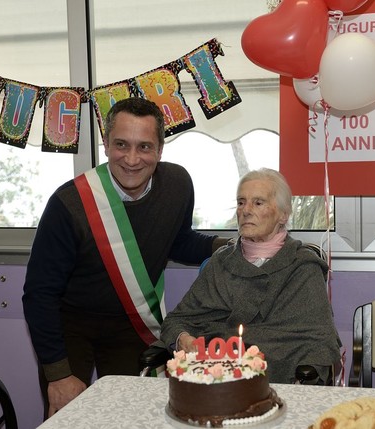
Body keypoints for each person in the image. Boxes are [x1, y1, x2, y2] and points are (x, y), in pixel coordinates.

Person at [22, 97, 228, 418]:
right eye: (121, 144)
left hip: (129, 325)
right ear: (106, 145)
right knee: (68, 417)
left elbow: (178, 241)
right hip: (70, 324)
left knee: (136, 415)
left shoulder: (178, 185)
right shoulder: (69, 204)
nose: (132, 159)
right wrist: (59, 374)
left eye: (144, 147)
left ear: (160, 149)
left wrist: (228, 245)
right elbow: (39, 294)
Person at [160, 168, 341, 384]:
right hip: (213, 385)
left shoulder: (302, 267)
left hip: (281, 386)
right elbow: (177, 320)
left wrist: (230, 342)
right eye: (241, 202)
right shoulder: (221, 261)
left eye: (258, 202)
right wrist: (183, 339)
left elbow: (320, 341)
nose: (246, 210)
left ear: (283, 214)